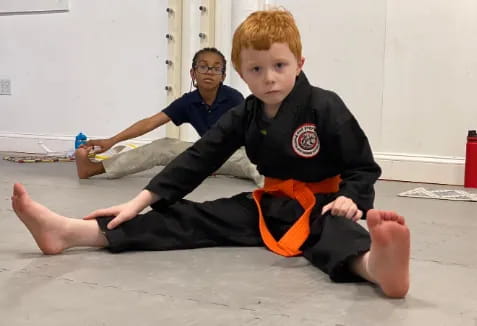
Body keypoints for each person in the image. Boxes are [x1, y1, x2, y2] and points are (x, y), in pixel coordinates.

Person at [11, 9, 410, 298]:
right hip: (269, 203)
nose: (269, 78)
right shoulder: (245, 113)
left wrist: (349, 199)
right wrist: (141, 200)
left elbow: (362, 165)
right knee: (189, 217)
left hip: (322, 204)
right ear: (239, 70)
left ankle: (375, 267)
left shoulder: (325, 107)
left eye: (279, 65)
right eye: (256, 70)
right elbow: (199, 157)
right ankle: (71, 232)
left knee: (337, 233)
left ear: (299, 63)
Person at [75, 47, 263, 187]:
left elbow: (253, 131)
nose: (209, 72)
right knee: (162, 146)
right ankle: (94, 169)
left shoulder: (233, 98)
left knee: (256, 163)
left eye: (215, 69)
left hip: (238, 155)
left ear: (222, 76)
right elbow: (150, 122)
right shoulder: (188, 102)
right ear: (193, 73)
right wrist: (112, 140)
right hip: (205, 155)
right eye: (203, 67)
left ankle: (280, 196)